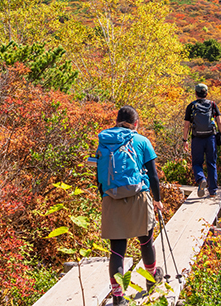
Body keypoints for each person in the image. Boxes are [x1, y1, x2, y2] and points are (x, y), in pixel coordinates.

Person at [96, 106, 164, 306]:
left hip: (111, 198)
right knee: (146, 241)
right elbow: (153, 175)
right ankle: (151, 281)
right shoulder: (142, 141)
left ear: (116, 121)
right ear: (136, 123)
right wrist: (158, 200)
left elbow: (99, 176)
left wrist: (105, 197)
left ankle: (118, 298)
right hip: (138, 197)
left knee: (117, 250)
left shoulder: (104, 141)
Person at [182, 83, 221, 197]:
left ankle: (201, 179)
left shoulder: (191, 106)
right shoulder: (212, 104)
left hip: (197, 139)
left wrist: (185, 140)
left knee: (197, 163)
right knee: (211, 163)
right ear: (206, 93)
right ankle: (213, 191)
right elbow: (219, 122)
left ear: (196, 93)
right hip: (210, 138)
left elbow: (187, 125)